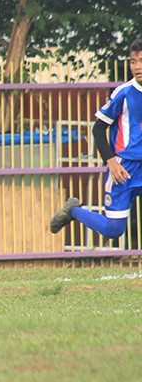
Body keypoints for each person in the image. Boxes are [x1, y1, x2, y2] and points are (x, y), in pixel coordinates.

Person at [51, 38, 142, 241]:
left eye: (141, 61)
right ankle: (73, 211)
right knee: (113, 230)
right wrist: (110, 162)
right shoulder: (123, 93)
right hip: (125, 168)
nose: (137, 67)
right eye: (133, 61)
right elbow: (99, 128)